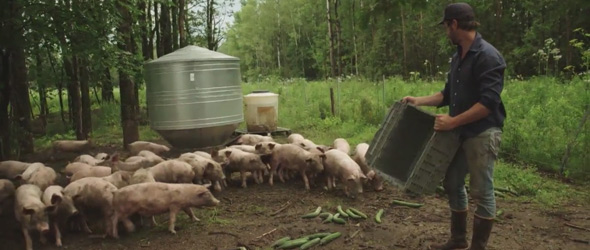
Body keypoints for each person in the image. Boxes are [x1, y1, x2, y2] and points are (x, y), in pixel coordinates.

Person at [402, 3, 506, 250]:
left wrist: (452, 122)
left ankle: (477, 247)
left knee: (482, 191)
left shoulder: (488, 56)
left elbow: (488, 103)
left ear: (455, 24)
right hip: (459, 132)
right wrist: (418, 100)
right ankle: (458, 240)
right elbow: (447, 95)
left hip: (482, 132)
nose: (446, 32)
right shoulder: (457, 57)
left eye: (446, 27)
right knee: (452, 182)